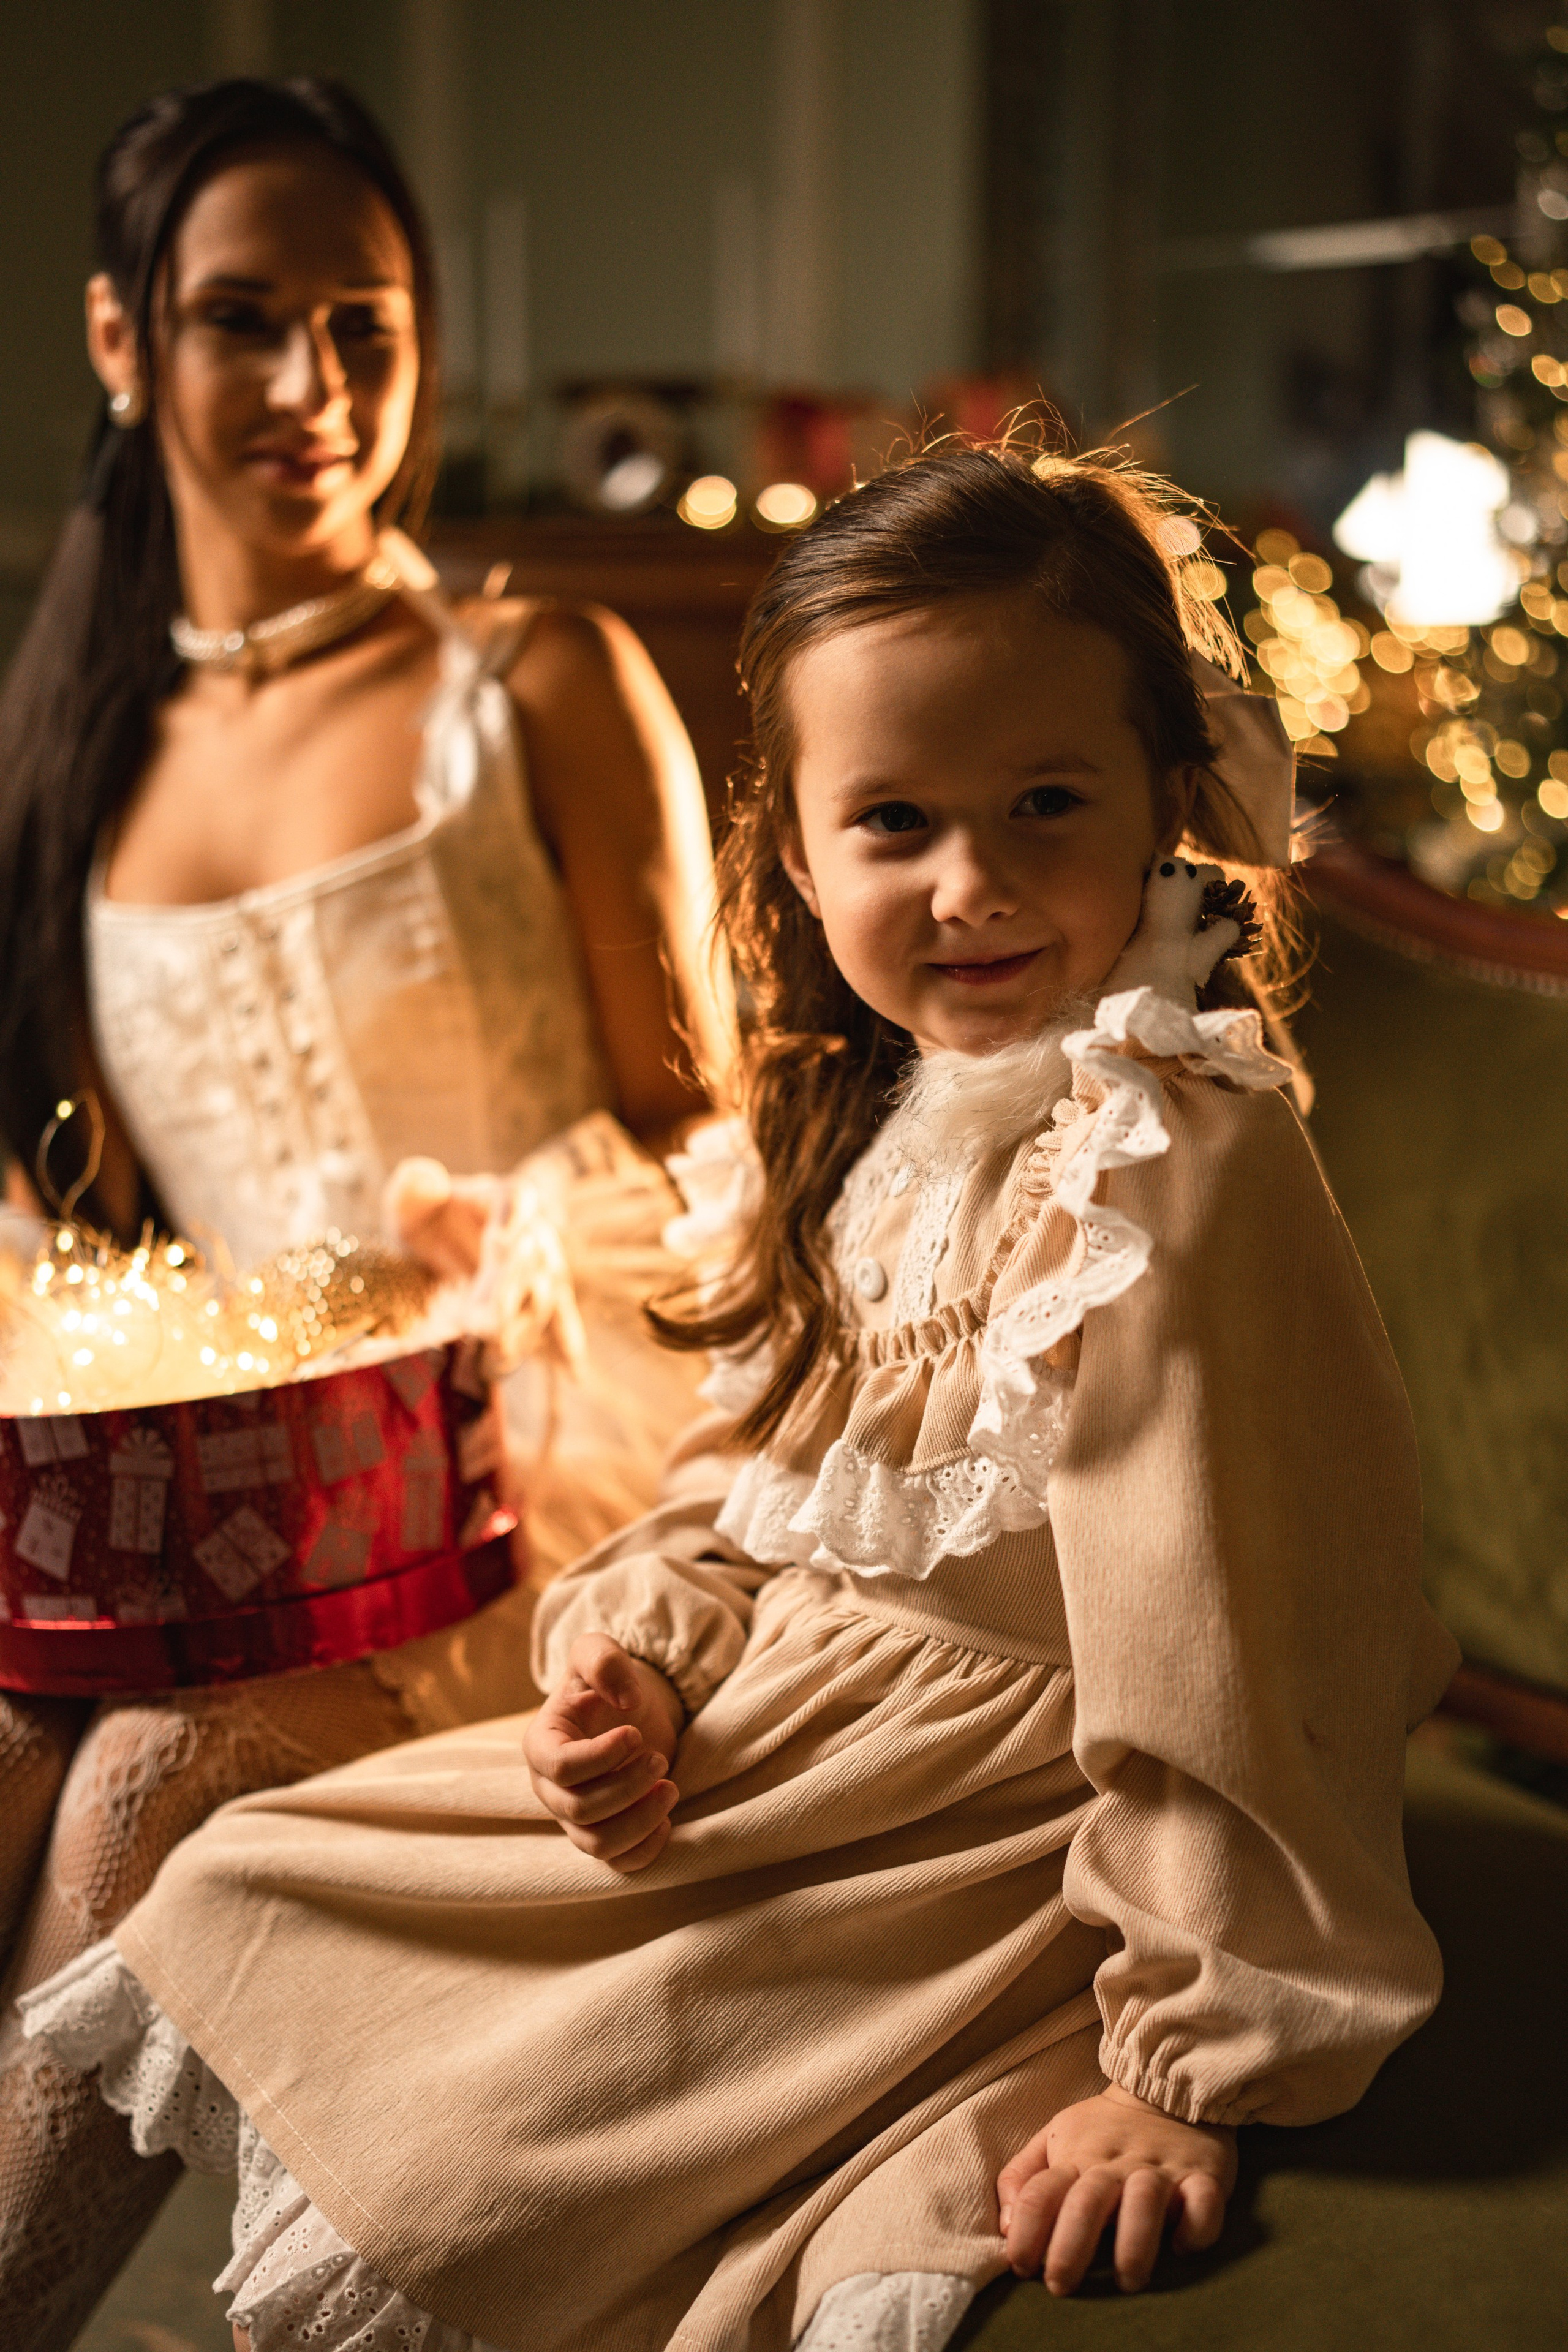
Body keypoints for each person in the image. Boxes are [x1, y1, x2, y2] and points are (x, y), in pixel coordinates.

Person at [23, 442, 1458, 2352]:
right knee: (240, 1881)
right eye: (897, 824)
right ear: (799, 855)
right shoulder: (868, 1121)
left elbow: (1231, 1640)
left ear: (1164, 808)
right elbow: (750, 1486)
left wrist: (1187, 2060)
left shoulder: (1163, 1155)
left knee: (510, 2123)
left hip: (994, 1839)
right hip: (786, 1741)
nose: (972, 885)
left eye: (1047, 804)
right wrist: (638, 1666)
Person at [0, 77, 723, 2348]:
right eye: (244, 322)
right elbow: (60, 1224)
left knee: (157, 1764)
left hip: (528, 1473)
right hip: (203, 1500)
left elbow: (734, 1158)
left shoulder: (538, 687)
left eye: (366, 326)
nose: (316, 392)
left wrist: (514, 1235)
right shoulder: (72, 758)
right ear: (122, 346)